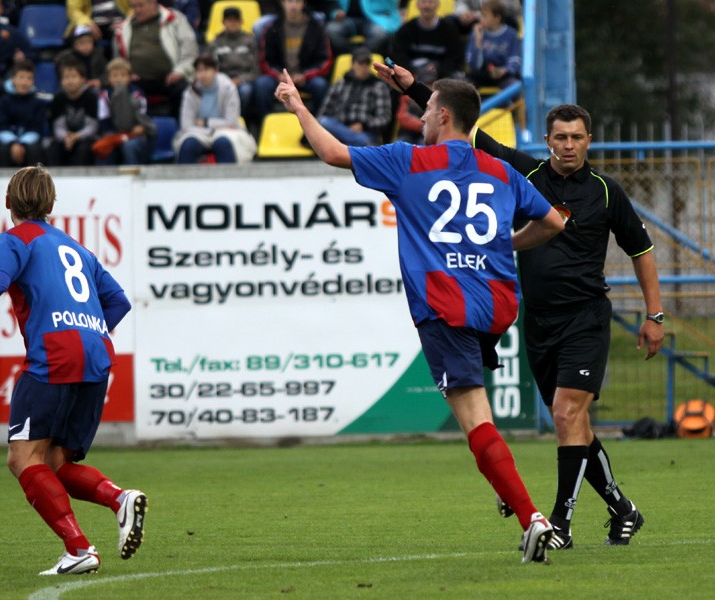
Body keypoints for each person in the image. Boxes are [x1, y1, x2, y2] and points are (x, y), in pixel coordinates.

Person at [275, 68, 566, 562]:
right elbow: (554, 222)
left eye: (426, 109)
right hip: (495, 303)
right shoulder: (500, 171)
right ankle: (505, 486)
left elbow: (333, 152)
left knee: (474, 419)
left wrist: (298, 106)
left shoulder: (408, 161)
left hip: (444, 304)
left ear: (444, 116)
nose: (420, 117)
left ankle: (531, 518)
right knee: (480, 415)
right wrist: (506, 244)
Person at [374, 61, 663, 550]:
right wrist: (416, 89)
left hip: (586, 317)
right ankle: (622, 507)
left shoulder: (606, 191)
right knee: (572, 422)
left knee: (567, 415)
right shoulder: (524, 172)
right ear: (547, 141)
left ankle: (560, 523)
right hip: (540, 321)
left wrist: (654, 316)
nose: (568, 145)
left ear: (589, 141)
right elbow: (465, 129)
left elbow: (642, 250)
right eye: (560, 137)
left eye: (576, 137)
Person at [0, 165, 147, 575]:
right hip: (97, 353)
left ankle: (79, 549)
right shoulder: (76, 248)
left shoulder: (12, 240)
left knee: (23, 458)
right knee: (56, 463)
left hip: (54, 355)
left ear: (8, 201)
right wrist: (85, 329)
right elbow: (118, 302)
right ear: (51, 205)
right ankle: (119, 499)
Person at [113, 0, 197, 118]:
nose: (137, 10)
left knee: (184, 89)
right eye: (133, 6)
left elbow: (190, 51)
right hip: (138, 79)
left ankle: (181, 125)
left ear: (153, 3)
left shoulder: (175, 19)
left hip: (171, 77)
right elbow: (118, 61)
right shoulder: (124, 28)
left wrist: (180, 71)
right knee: (120, 90)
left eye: (140, 5)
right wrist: (127, 73)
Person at [254, 0, 332, 123]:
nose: (293, 5)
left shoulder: (316, 28)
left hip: (306, 77)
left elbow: (325, 60)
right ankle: (265, 123)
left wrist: (305, 75)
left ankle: (319, 124)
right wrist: (279, 75)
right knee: (262, 84)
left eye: (297, 1)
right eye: (290, 1)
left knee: (320, 85)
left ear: (304, 4)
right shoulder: (272, 27)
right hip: (280, 77)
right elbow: (265, 60)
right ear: (282, 3)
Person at [173, 52, 256, 164]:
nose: (202, 74)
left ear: (216, 70)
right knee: (188, 145)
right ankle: (183, 176)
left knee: (222, 143)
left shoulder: (228, 88)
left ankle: (230, 176)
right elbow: (186, 125)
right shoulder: (190, 92)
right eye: (199, 70)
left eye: (206, 69)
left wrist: (206, 123)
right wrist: (209, 129)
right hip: (197, 132)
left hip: (226, 132)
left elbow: (231, 121)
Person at [316, 46, 390, 147]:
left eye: (367, 63)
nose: (364, 67)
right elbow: (324, 112)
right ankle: (355, 144)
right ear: (353, 65)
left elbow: (384, 118)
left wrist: (364, 125)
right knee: (323, 121)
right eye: (360, 63)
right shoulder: (340, 83)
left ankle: (348, 144)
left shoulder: (379, 86)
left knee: (364, 139)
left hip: (366, 132)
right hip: (339, 129)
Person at [94, 57, 156, 165]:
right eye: (114, 76)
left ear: (130, 77)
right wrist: (116, 135)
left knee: (129, 146)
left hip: (136, 136)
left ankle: (132, 173)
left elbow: (144, 116)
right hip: (115, 135)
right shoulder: (104, 96)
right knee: (103, 148)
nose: (118, 79)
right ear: (108, 78)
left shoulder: (137, 94)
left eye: (123, 75)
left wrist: (141, 127)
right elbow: (104, 120)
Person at [0, 59, 47, 167]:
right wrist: (13, 143)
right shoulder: (2, 102)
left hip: (29, 142)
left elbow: (36, 128)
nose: (24, 82)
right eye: (21, 77)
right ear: (13, 79)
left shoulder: (38, 103)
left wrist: (22, 144)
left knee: (34, 150)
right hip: (7, 143)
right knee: (1, 150)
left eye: (29, 78)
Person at [207, 6, 258, 126]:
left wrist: (240, 79)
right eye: (229, 20)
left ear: (241, 22)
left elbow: (256, 69)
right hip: (223, 79)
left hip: (244, 79)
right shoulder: (216, 43)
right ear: (223, 22)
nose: (233, 23)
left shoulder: (250, 41)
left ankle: (242, 120)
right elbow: (210, 68)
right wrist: (225, 80)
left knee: (245, 91)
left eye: (236, 20)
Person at [390, 0, 465, 80]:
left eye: (430, 2)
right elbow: (399, 55)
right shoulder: (406, 29)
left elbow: (455, 57)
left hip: (442, 78)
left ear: (437, 5)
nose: (427, 6)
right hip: (413, 77)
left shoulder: (449, 29)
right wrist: (413, 72)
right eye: (423, 2)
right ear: (418, 5)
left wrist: (439, 72)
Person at [46, 56, 99, 166]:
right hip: (64, 138)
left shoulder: (90, 97)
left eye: (74, 76)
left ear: (83, 79)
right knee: (53, 148)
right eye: (66, 77)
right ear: (61, 81)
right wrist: (66, 137)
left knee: (84, 149)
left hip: (85, 137)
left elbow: (92, 126)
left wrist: (76, 136)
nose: (70, 81)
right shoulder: (58, 98)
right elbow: (58, 126)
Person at [464, 0, 520, 91]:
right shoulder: (475, 34)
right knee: (464, 86)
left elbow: (515, 59)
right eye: (481, 15)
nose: (481, 19)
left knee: (515, 86)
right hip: (481, 76)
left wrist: (504, 70)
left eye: (484, 15)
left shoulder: (511, 34)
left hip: (503, 76)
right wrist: (478, 42)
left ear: (497, 18)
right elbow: (474, 65)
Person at [325, 0, 400, 56]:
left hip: (375, 18)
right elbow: (331, 3)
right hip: (346, 19)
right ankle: (355, 56)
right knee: (331, 30)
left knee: (379, 33)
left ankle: (363, 56)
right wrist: (335, 12)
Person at [55, 24, 109, 90]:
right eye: (81, 43)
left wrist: (100, 81)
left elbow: (106, 73)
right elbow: (64, 77)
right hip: (73, 88)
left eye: (89, 42)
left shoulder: (98, 56)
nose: (86, 46)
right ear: (74, 45)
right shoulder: (67, 59)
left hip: (94, 89)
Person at [66, 0, 130, 46]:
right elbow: (74, 10)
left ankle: (119, 61)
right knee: (82, 37)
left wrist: (127, 21)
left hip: (120, 22)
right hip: (92, 23)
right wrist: (87, 22)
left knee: (121, 33)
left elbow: (134, 7)